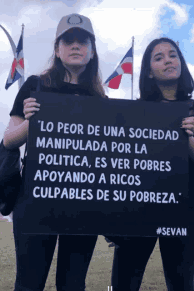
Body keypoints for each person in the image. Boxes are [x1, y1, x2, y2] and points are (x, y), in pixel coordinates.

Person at [3, 13, 106, 291]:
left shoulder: (101, 101)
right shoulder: (35, 85)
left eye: (82, 41)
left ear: (92, 50)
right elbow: (9, 140)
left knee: (73, 285)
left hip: (83, 203)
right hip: (36, 199)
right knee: (28, 283)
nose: (75, 46)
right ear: (57, 50)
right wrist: (29, 125)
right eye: (68, 40)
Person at [106, 37, 194, 291]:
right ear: (149, 72)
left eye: (172, 54)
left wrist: (186, 140)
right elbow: (120, 165)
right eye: (159, 57)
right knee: (123, 283)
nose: (168, 60)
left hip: (185, 209)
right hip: (139, 209)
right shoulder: (137, 111)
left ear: (181, 62)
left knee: (180, 284)